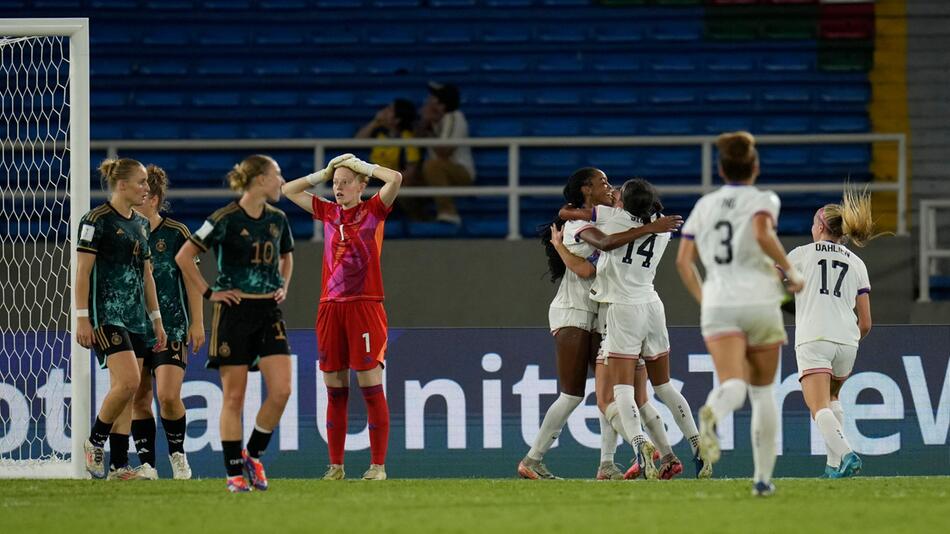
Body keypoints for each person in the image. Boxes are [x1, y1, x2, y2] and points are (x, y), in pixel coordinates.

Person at [516, 169, 680, 481]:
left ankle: (607, 463)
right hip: (575, 312)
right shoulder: (578, 225)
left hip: (603, 315)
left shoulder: (604, 218)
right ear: (586, 189)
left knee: (614, 392)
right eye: (603, 182)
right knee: (574, 394)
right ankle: (533, 459)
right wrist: (564, 249)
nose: (610, 187)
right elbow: (589, 269)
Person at [675, 131, 804, 497]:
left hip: (718, 301)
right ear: (755, 167)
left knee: (732, 383)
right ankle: (762, 481)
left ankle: (713, 411)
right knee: (763, 393)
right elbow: (762, 233)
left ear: (720, 168)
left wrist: (706, 300)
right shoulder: (764, 199)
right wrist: (790, 271)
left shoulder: (704, 206)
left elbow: (684, 262)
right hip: (760, 300)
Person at [175, 154, 295, 493]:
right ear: (259, 179)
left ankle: (253, 454)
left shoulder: (278, 219)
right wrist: (209, 291)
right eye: (277, 174)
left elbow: (287, 257)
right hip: (234, 312)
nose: (281, 181)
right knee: (234, 397)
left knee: (282, 390)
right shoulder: (224, 218)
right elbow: (184, 255)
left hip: (268, 312)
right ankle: (233, 473)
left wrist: (284, 285)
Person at [566, 178, 699, 480]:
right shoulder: (661, 226)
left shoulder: (614, 221)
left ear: (623, 203)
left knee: (616, 393)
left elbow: (574, 221)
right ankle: (693, 445)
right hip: (651, 306)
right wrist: (650, 225)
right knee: (659, 388)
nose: (612, 189)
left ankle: (640, 447)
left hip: (620, 312)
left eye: (617, 190)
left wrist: (561, 245)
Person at [281, 153, 402, 481]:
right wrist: (321, 172)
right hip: (330, 306)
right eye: (335, 183)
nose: (338, 188)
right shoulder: (329, 212)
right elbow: (288, 190)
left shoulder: (374, 210)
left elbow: (396, 179)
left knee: (369, 383)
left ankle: (378, 466)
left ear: (362, 185)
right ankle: (336, 466)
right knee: (334, 384)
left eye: (346, 182)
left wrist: (364, 166)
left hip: (365, 305)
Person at [77, 157, 167, 480]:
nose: (147, 188)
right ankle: (94, 442)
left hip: (136, 318)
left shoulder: (141, 224)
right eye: (142, 182)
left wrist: (156, 318)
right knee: (129, 381)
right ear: (122, 184)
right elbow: (83, 272)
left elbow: (147, 276)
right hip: (106, 315)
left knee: (126, 391)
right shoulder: (96, 220)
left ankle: (118, 466)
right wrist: (82, 317)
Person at [787, 187, 882, 479]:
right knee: (832, 401)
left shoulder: (800, 255)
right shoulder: (857, 262)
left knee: (818, 408)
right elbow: (865, 321)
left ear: (819, 226)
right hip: (847, 341)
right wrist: (849, 339)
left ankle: (846, 454)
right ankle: (832, 467)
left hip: (814, 338)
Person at [127, 164, 204, 480]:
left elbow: (192, 280)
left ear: (155, 199)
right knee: (139, 396)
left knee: (169, 395)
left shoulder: (176, 234)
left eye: (143, 195)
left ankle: (178, 455)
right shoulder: (125, 233)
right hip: (134, 327)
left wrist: (197, 322)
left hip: (171, 326)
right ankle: (147, 465)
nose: (136, 201)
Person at [417, 81, 475, 225]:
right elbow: (415, 138)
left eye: (432, 98)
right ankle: (418, 219)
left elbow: (444, 152)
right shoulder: (434, 121)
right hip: (434, 172)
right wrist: (425, 122)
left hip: (461, 172)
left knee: (433, 166)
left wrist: (429, 131)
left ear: (441, 104)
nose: (428, 101)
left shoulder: (454, 117)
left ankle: (449, 212)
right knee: (403, 179)